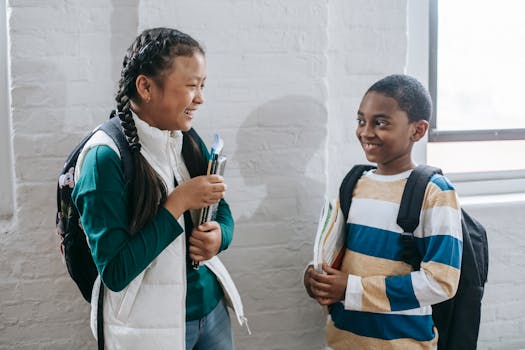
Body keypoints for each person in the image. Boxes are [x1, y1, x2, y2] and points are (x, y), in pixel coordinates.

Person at [72, 27, 245, 350]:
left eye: (203, 86)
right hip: (146, 331)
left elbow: (220, 207)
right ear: (146, 86)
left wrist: (221, 235)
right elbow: (116, 272)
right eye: (192, 86)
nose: (201, 98)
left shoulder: (186, 137)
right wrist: (176, 204)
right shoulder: (103, 158)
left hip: (211, 311)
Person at [303, 74, 463, 349]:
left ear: (417, 130)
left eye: (380, 123)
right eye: (361, 121)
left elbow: (441, 282)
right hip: (344, 340)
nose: (365, 131)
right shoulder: (353, 184)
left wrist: (350, 289)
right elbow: (334, 252)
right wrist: (316, 276)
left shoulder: (435, 193)